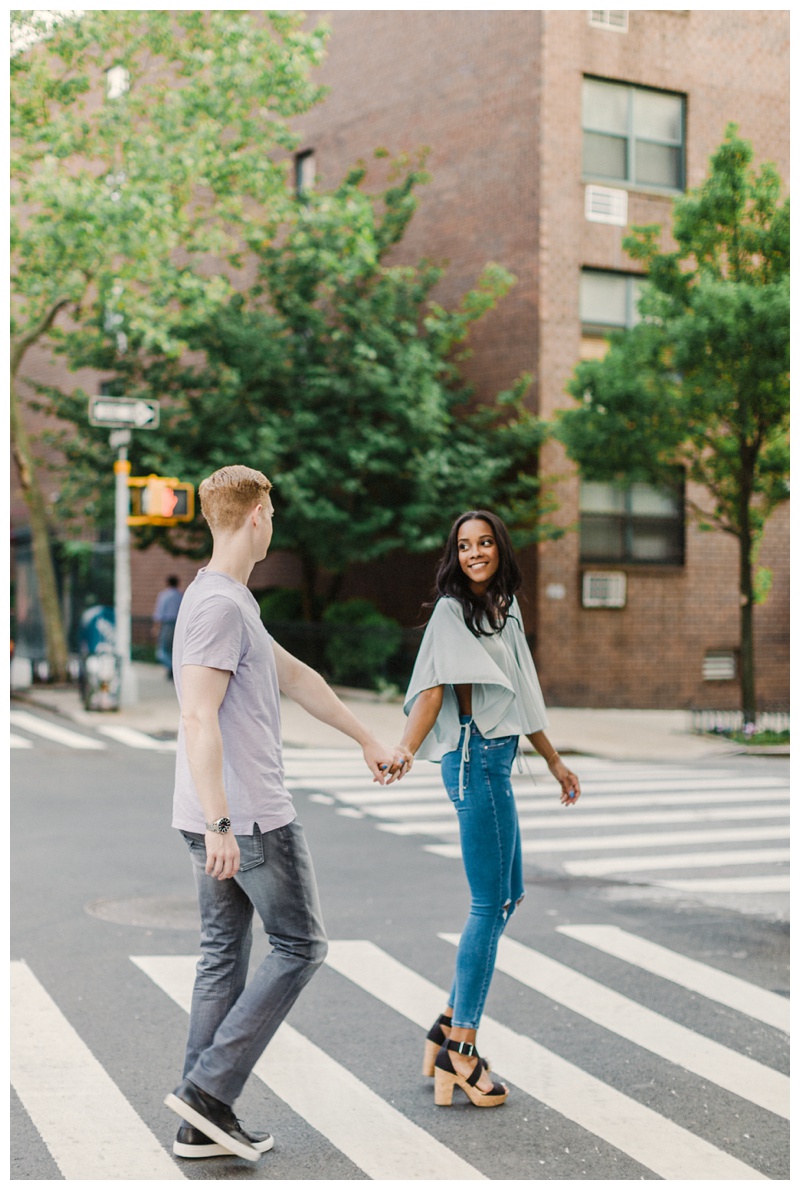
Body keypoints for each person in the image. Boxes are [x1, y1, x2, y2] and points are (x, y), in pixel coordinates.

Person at [164, 465, 402, 1161]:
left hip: (224, 818)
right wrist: (220, 824)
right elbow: (196, 716)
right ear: (253, 518)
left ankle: (199, 1120)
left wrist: (366, 739)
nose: (276, 524)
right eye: (272, 511)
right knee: (301, 946)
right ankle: (207, 1092)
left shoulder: (231, 602)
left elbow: (297, 677)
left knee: (222, 959)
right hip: (250, 820)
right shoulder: (217, 607)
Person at [389, 510, 581, 1109]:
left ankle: (447, 1024)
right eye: (465, 546)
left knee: (510, 893)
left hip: (500, 759)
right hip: (473, 760)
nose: (475, 553)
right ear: (456, 553)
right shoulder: (452, 611)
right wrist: (402, 751)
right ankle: (461, 1051)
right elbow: (434, 691)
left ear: (501, 547)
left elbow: (524, 692)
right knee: (488, 901)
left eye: (485, 542)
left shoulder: (506, 606)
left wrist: (552, 760)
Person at [152, 575, 183, 680]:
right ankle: (174, 668)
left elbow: (159, 612)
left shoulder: (164, 595)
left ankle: (171, 668)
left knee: (163, 649)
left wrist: (156, 627)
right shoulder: (181, 595)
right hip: (179, 624)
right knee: (176, 649)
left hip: (167, 624)